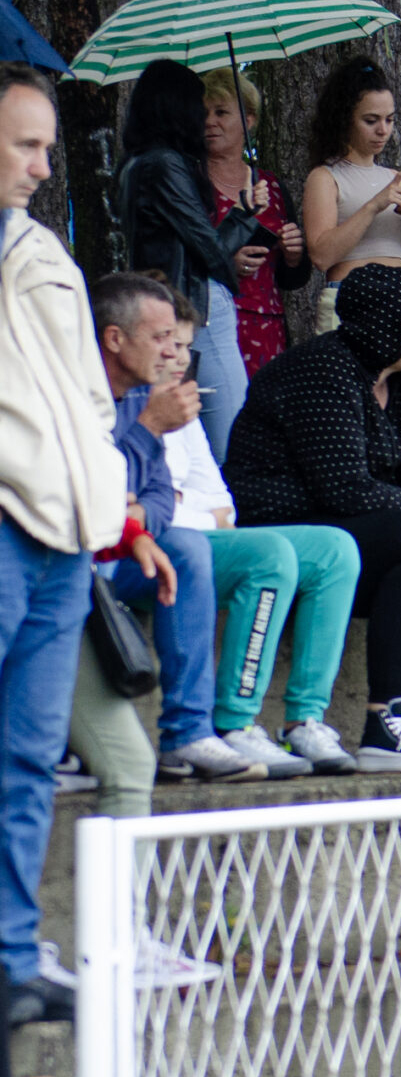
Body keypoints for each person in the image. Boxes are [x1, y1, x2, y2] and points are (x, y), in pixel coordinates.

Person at [223, 264, 401, 771]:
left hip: (358, 525)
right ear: (391, 327)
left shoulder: (396, 378)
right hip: (294, 528)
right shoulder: (320, 371)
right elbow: (345, 490)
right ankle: (385, 721)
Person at [0, 62, 129, 1036]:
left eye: (47, 144)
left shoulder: (42, 247)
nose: (45, 165)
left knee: (30, 758)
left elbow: (90, 394)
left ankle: (10, 961)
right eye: (25, 144)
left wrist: (103, 496)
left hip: (65, 539)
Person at [151, 290, 359, 780]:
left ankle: (305, 720)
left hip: (195, 536)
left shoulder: (179, 407)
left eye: (186, 347)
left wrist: (183, 505)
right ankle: (235, 721)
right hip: (147, 550)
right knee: (268, 552)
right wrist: (186, 508)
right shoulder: (110, 402)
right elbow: (129, 502)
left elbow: (221, 502)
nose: (179, 358)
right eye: (167, 343)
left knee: (334, 548)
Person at [90, 275, 263, 783]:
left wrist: (138, 517)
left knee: (186, 548)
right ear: (115, 338)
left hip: (126, 548)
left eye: (177, 339)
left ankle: (189, 733)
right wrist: (147, 430)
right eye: (162, 337)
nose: (174, 352)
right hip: (69, 556)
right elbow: (91, 487)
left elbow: (161, 493)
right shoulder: (77, 393)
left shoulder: (149, 391)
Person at [114, 62, 265, 463]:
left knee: (190, 441)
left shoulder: (133, 164)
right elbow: (209, 249)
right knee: (232, 440)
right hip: (199, 306)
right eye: (198, 105)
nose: (204, 117)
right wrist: (243, 216)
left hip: (165, 304)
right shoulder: (165, 164)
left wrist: (242, 212)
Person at [301, 55, 401, 332]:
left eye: (389, 120)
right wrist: (374, 205)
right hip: (349, 302)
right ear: (345, 119)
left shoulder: (394, 179)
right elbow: (322, 256)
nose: (382, 130)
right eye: (371, 120)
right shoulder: (325, 177)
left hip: (399, 301)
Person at [201, 68, 308, 380]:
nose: (209, 121)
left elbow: (292, 279)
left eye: (221, 112)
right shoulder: (192, 183)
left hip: (268, 327)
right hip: (213, 324)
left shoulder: (271, 186)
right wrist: (227, 263)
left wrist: (293, 255)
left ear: (248, 121)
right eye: (203, 113)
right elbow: (184, 257)